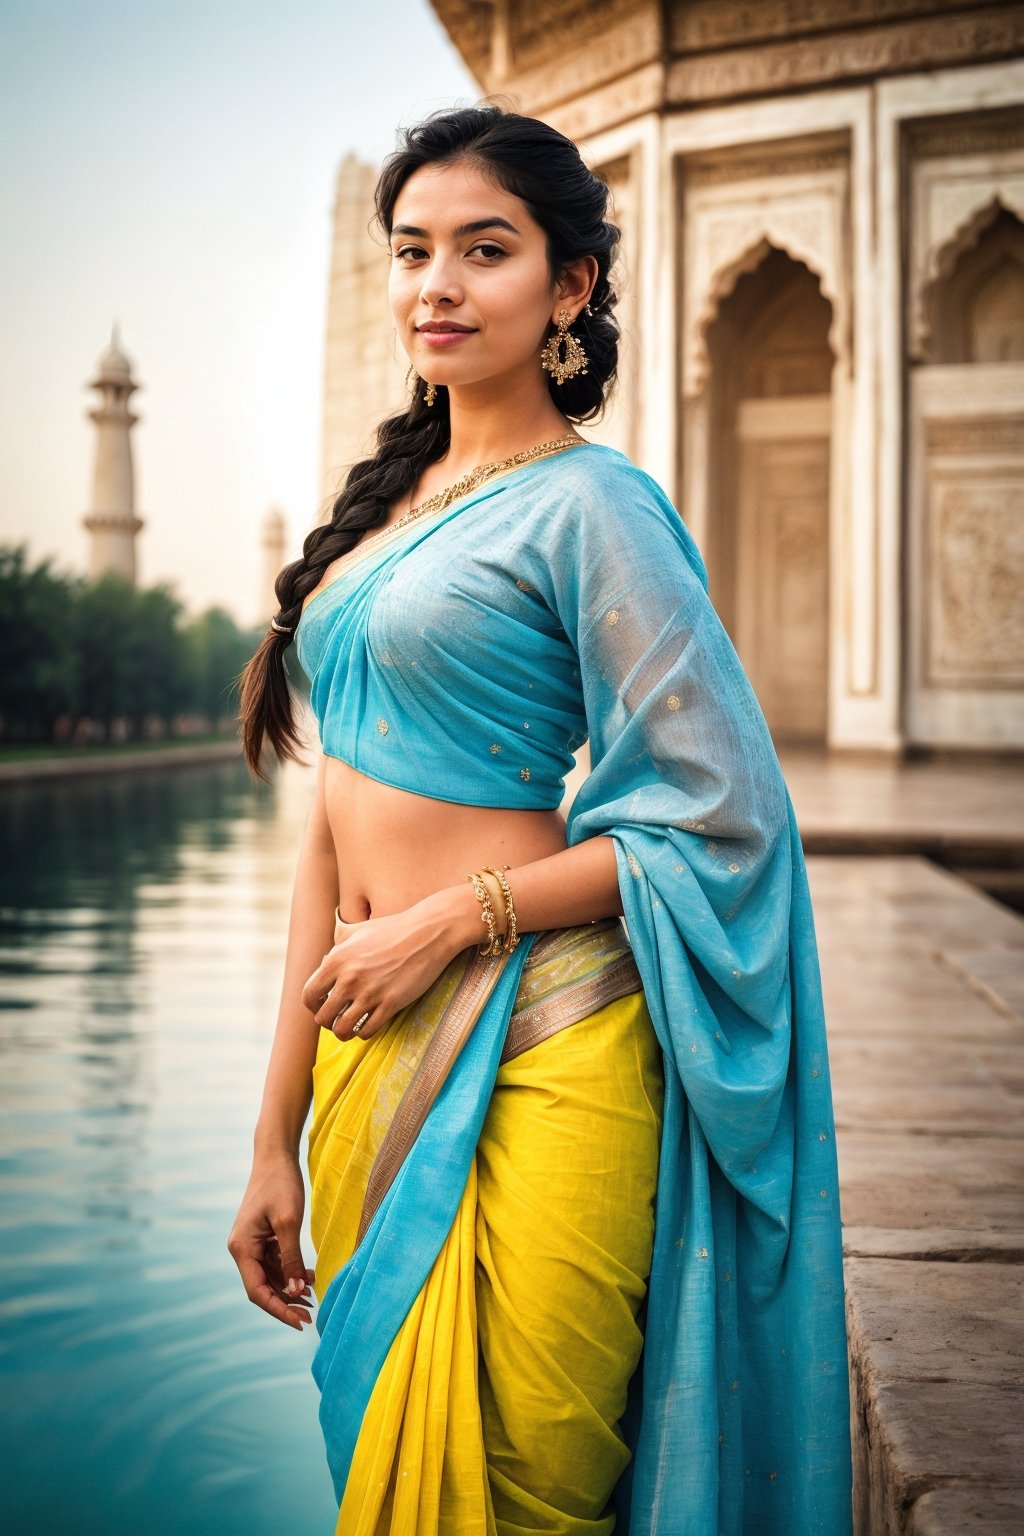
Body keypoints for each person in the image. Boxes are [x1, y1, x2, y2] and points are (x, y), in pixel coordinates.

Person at [227, 103, 853, 1536]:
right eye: (412, 251)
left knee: (521, 1492)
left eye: (484, 250)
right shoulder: (383, 517)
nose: (435, 285)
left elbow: (720, 818)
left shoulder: (597, 509)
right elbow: (325, 835)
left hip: (546, 1040)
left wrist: (459, 918)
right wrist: (270, 1136)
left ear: (570, 284)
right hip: (366, 1062)